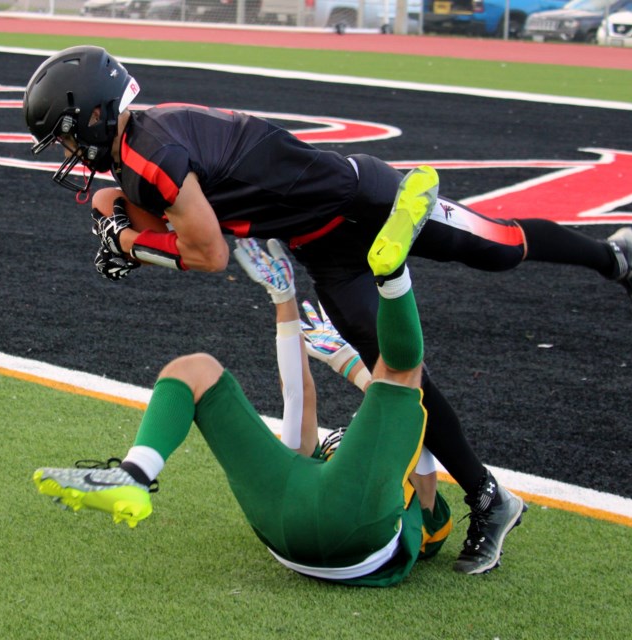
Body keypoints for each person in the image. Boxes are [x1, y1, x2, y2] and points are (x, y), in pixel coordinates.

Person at [22, 45, 632, 575]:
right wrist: (125, 227)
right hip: (323, 244)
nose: (70, 155)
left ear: (96, 116)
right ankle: (487, 496)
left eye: (68, 138)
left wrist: (133, 244)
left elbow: (208, 252)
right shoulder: (141, 152)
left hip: (367, 198)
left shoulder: (152, 151)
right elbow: (152, 212)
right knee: (399, 373)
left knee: (498, 248)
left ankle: (616, 258)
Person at [32, 166, 472, 586]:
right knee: (401, 373)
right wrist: (307, 322)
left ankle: (137, 471)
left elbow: (308, 400)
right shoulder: (365, 471)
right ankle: (392, 274)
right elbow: (409, 417)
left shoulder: (325, 458)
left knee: (192, 372)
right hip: (349, 540)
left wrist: (302, 318)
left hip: (281, 526)